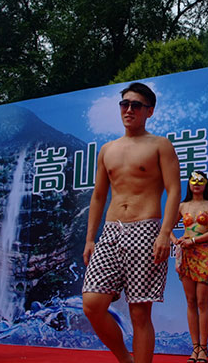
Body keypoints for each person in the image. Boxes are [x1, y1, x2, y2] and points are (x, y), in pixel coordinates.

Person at [82, 82, 181, 363]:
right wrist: (90, 239)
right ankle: (126, 359)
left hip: (146, 229)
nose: (128, 110)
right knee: (92, 304)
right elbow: (98, 196)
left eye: (136, 105)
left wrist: (164, 233)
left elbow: (174, 190)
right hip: (111, 231)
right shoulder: (107, 150)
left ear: (149, 111)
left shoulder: (160, 145)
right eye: (124, 104)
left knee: (140, 312)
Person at [171, 171, 208, 363]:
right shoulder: (182, 206)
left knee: (202, 301)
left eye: (201, 180)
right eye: (193, 180)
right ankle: (195, 347)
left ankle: (204, 348)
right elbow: (166, 228)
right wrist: (175, 241)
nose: (197, 184)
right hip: (186, 254)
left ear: (206, 184)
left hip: (204, 253)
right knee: (190, 301)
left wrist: (194, 240)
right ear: (189, 184)